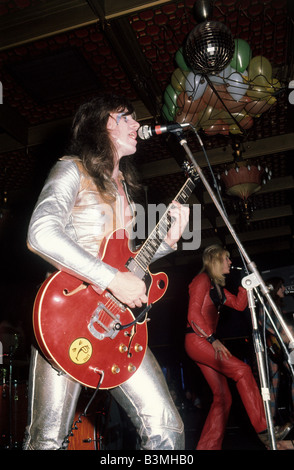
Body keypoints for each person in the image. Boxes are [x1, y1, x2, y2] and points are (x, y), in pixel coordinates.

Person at [23, 93, 189, 450]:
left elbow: (125, 264)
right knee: (47, 442)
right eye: (125, 117)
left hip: (117, 327)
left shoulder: (125, 188)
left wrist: (168, 241)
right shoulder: (72, 168)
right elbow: (40, 232)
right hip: (68, 319)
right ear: (101, 125)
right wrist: (114, 280)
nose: (136, 124)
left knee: (168, 432)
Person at [184, 244, 291, 450]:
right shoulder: (201, 280)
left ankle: (207, 448)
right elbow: (193, 315)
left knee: (223, 398)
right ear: (215, 260)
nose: (230, 262)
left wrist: (245, 285)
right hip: (198, 340)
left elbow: (239, 305)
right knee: (242, 371)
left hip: (203, 341)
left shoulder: (216, 287)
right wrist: (212, 339)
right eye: (226, 258)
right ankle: (264, 431)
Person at [262, 277, 294, 423]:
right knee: (273, 383)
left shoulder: (278, 306)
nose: (283, 289)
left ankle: (272, 418)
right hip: (273, 346)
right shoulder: (269, 303)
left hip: (280, 346)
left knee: (280, 380)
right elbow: (263, 321)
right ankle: (270, 419)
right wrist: (278, 334)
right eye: (281, 287)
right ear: (275, 288)